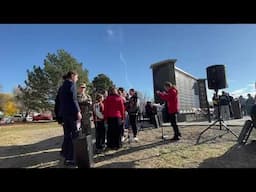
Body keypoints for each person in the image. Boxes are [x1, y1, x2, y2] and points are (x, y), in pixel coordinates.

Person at [59, 71, 82, 166]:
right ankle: (72, 158)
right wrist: (78, 112)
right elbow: (74, 100)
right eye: (76, 77)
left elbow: (59, 101)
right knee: (74, 135)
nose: (77, 79)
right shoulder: (71, 84)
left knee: (67, 136)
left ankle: (66, 156)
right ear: (72, 76)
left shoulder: (62, 86)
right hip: (72, 115)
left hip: (64, 115)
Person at [54, 74, 67, 157]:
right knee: (68, 135)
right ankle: (65, 151)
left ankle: (64, 151)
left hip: (64, 116)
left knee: (67, 135)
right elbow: (57, 106)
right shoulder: (63, 90)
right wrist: (59, 119)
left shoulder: (62, 90)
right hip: (65, 117)